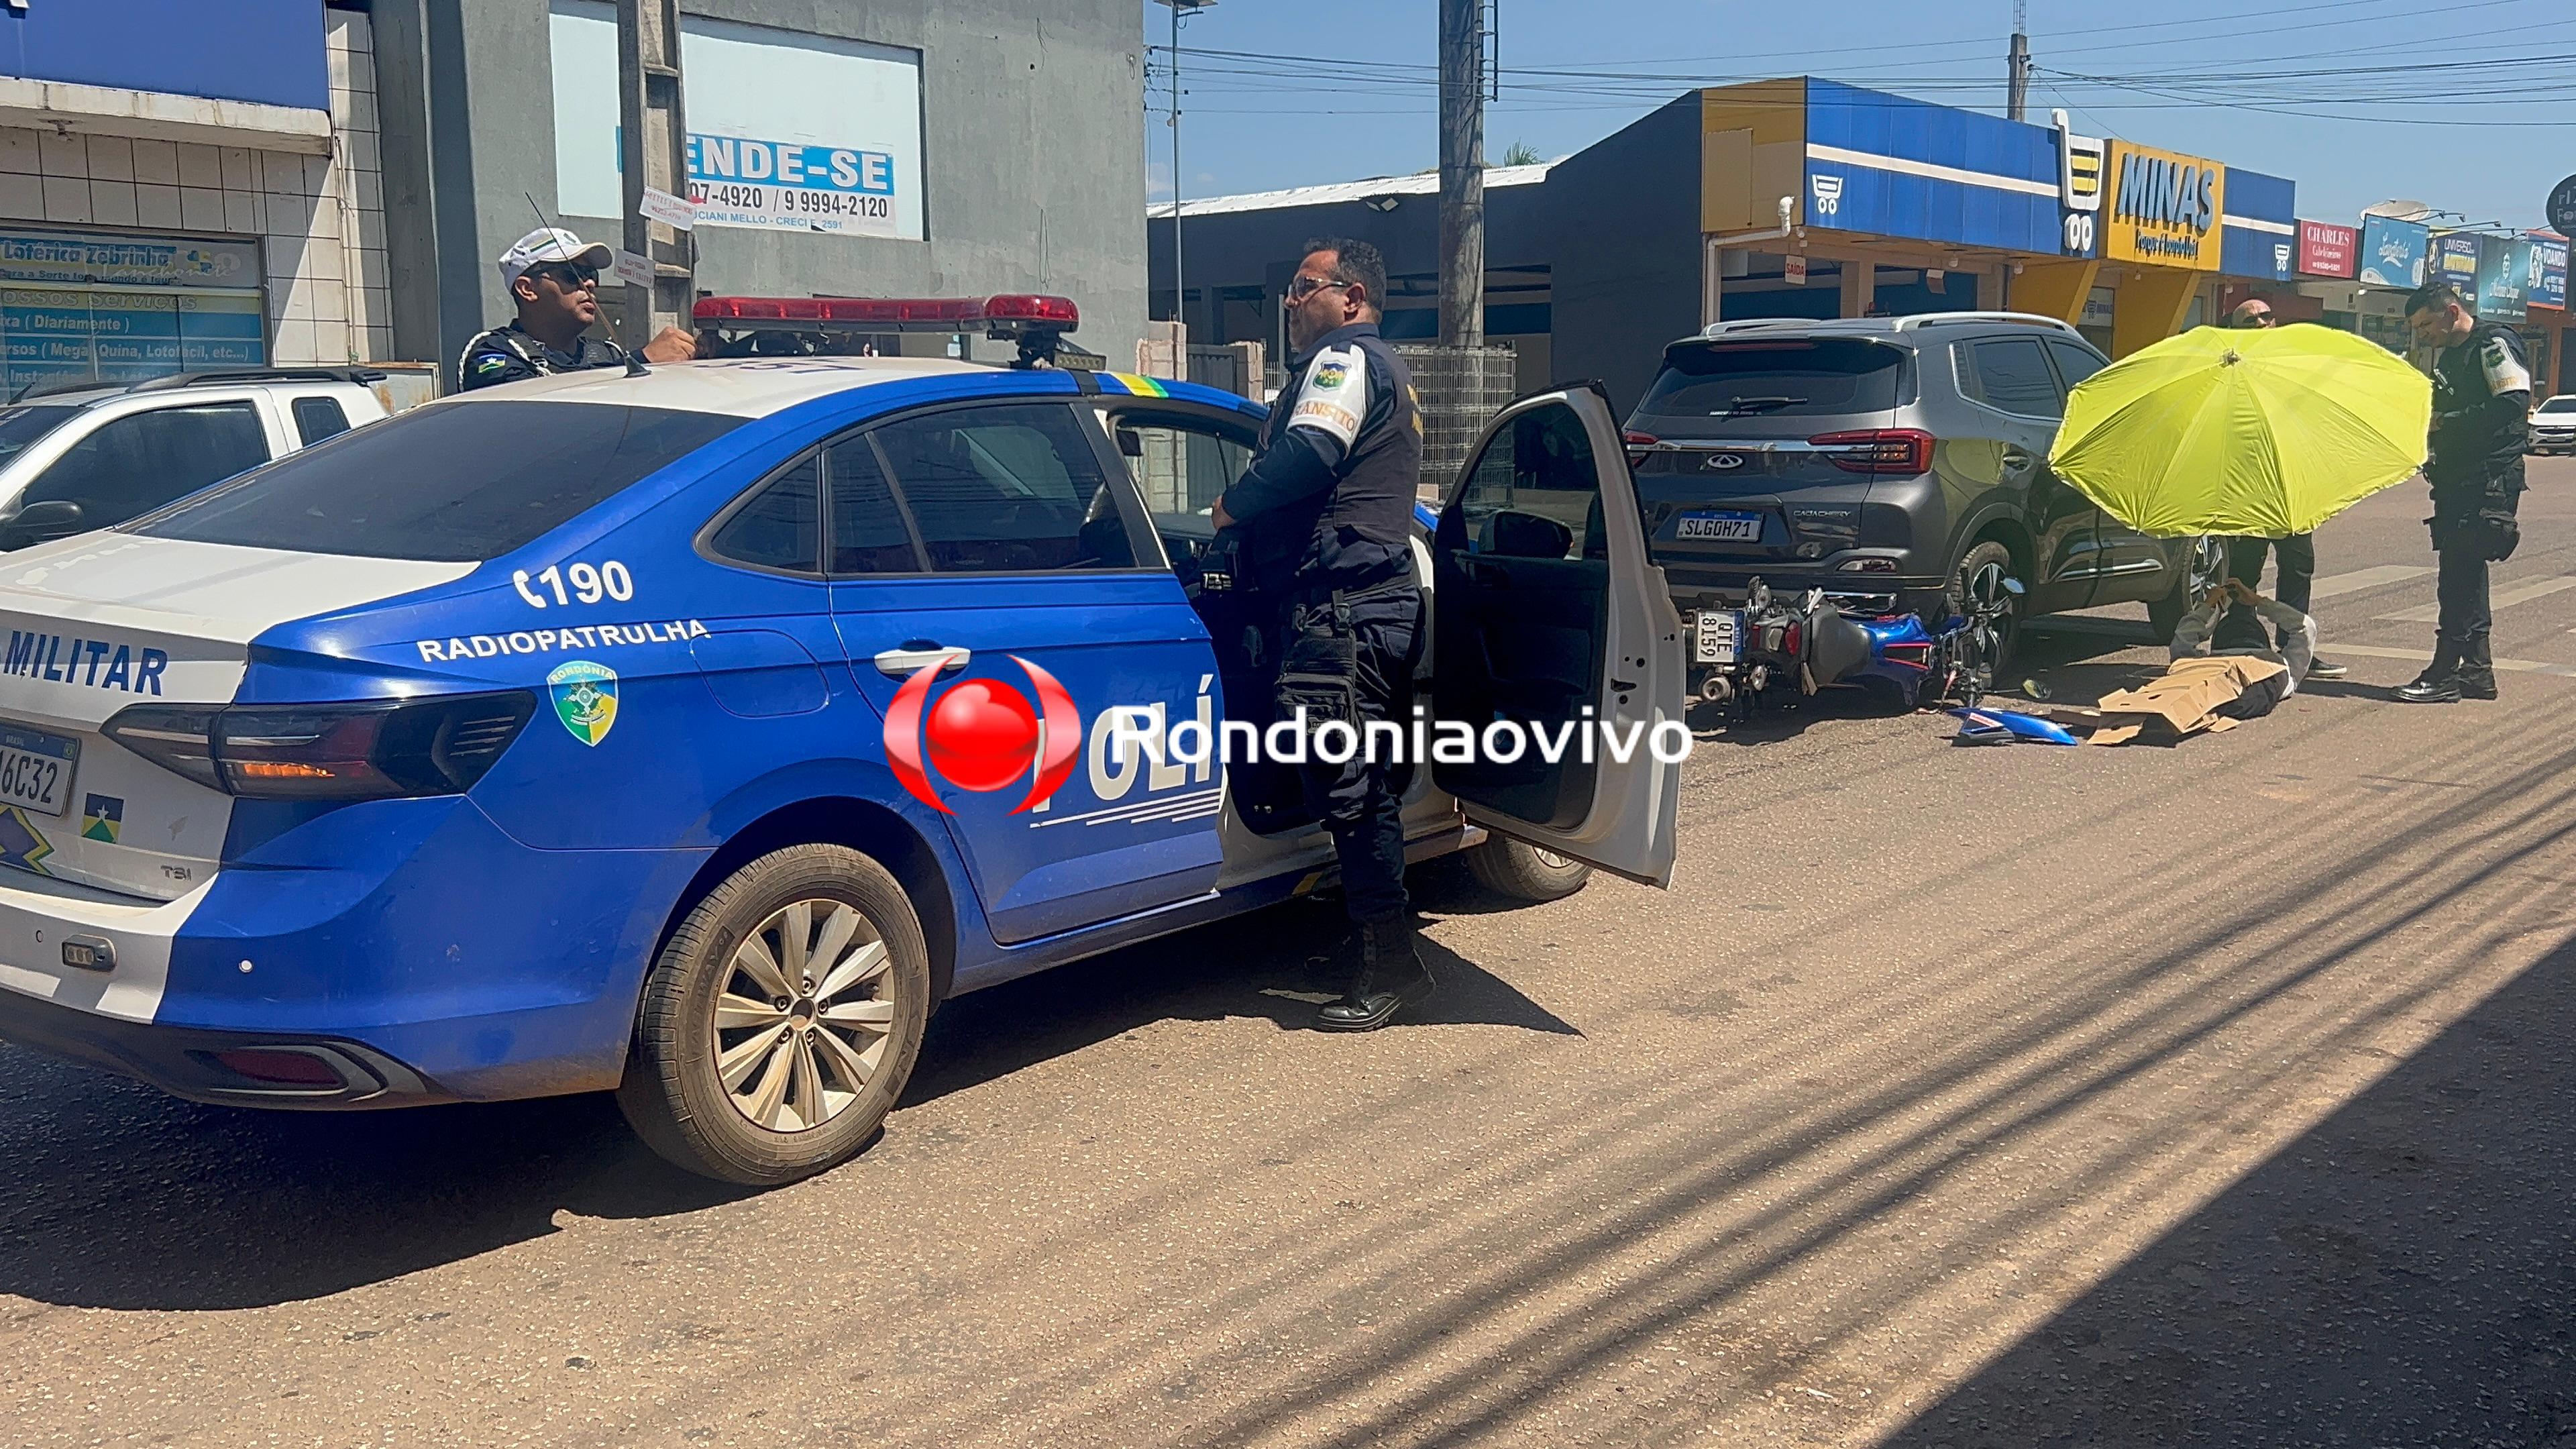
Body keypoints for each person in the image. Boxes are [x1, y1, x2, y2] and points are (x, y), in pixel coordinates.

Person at [1208, 237, 1430, 1031]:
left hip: (1345, 610)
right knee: (1336, 784)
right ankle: (1371, 938)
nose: (1293, 301)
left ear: (1353, 297)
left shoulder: (1344, 362)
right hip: (1343, 607)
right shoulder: (1371, 367)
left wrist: (1232, 507)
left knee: (1349, 787)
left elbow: (1309, 450)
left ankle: (1392, 959)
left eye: (1306, 286)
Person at [2397, 281, 2530, 703]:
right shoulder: (2454, 355)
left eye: (2426, 324)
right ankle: (2476, 673)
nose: (2423, 334)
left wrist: (2446, 423)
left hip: (2486, 480)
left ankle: (2443, 676)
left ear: (2452, 312)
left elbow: (2512, 402)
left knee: (2458, 579)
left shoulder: (2492, 343)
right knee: (2467, 576)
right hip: (2460, 480)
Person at [2211, 300, 2347, 678]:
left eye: (2266, 316)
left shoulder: (2292, 365)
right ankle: (2240, 642)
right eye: (2249, 319)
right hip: (2248, 486)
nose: (2261, 323)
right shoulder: (2226, 369)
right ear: (2235, 329)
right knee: (2243, 570)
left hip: (2290, 487)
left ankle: (2294, 646)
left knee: (2298, 566)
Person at [457, 227, 696, 391]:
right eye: (573, 276)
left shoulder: (607, 353)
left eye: (591, 276)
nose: (590, 284)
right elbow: (539, 414)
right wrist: (642, 360)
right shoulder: (493, 352)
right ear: (527, 289)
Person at [2171, 578, 2318, 712]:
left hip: (2218, 671)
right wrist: (2258, 601)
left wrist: (2208, 605)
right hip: (2258, 677)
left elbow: (2305, 628)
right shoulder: (2281, 667)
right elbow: (2306, 627)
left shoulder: (2204, 663)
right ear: (2265, 644)